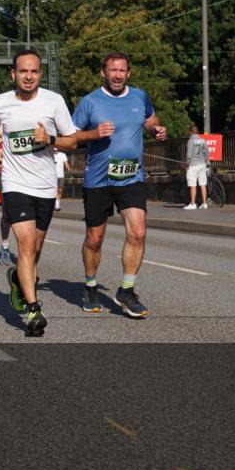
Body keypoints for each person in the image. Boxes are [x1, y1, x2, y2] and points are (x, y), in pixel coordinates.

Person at [0, 49, 78, 336]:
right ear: (13, 74)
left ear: (41, 74)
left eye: (34, 71)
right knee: (25, 245)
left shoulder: (54, 101)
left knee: (34, 250)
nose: (29, 76)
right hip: (15, 183)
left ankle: (17, 278)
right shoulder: (1, 102)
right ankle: (34, 309)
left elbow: (72, 141)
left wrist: (50, 139)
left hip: (45, 185)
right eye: (23, 71)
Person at [72, 52, 167, 318]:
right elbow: (71, 136)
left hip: (131, 177)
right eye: (113, 70)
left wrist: (156, 129)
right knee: (94, 239)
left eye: (122, 70)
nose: (117, 75)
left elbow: (150, 119)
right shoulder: (90, 102)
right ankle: (91, 286)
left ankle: (127, 290)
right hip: (98, 179)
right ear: (103, 72)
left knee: (138, 232)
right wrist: (94, 134)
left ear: (128, 73)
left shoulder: (139, 97)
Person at [184, 124, 211, 210]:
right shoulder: (203, 140)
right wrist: (207, 161)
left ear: (190, 132)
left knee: (193, 184)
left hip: (193, 165)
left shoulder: (190, 141)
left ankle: (193, 204)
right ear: (197, 131)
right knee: (203, 184)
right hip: (202, 164)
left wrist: (187, 164)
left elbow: (189, 155)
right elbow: (207, 152)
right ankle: (204, 203)